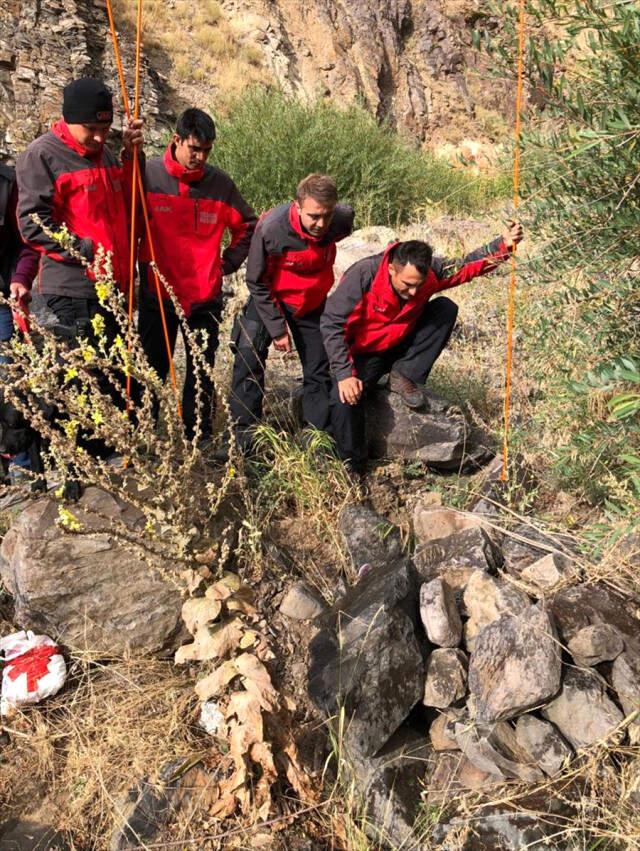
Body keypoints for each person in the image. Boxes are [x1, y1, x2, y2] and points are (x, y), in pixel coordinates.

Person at [320, 222, 524, 472]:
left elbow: (467, 266)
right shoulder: (364, 275)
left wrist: (503, 244)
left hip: (399, 343)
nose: (414, 291)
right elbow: (332, 324)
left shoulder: (431, 273)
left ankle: (403, 374)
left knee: (445, 308)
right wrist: (344, 374)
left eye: (419, 284)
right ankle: (353, 465)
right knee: (347, 399)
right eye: (407, 284)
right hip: (363, 352)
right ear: (392, 269)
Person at [138, 108, 256, 441]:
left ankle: (198, 439)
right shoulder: (146, 177)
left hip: (205, 296)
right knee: (152, 370)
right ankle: (146, 436)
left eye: (206, 150)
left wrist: (226, 264)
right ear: (176, 140)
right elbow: (125, 222)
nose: (200, 157)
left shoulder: (220, 185)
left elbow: (247, 226)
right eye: (194, 148)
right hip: (156, 293)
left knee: (201, 372)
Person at [229, 173, 354, 454]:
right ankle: (243, 437)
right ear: (297, 206)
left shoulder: (342, 219)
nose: (321, 224)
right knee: (247, 355)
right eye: (313, 216)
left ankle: (316, 438)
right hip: (271, 298)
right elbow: (256, 281)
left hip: (312, 302)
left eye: (327, 216)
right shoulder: (272, 228)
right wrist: (276, 328)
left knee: (319, 368)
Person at [15, 76, 143, 343]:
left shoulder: (104, 153)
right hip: (74, 293)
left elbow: (131, 204)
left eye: (106, 128)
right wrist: (84, 251)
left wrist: (131, 157)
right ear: (69, 120)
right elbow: (32, 223)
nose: (99, 136)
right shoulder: (41, 155)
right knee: (89, 380)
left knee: (119, 381)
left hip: (115, 289)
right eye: (91, 128)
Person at [0, 163, 40, 483]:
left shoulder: (8, 182)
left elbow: (27, 244)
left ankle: (23, 471)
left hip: (2, 302)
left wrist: (21, 278)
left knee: (13, 386)